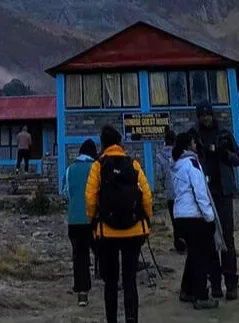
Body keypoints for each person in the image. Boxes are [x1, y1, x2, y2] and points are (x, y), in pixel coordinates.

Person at [85, 125, 153, 323]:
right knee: (130, 280)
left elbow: (90, 198)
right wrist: (146, 220)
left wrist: (93, 220)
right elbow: (147, 197)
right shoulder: (133, 164)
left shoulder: (98, 165)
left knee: (111, 282)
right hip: (133, 230)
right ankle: (132, 319)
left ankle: (112, 319)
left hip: (107, 232)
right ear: (120, 143)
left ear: (103, 144)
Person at [194, 103, 239, 300]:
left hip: (223, 192)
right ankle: (215, 283)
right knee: (209, 239)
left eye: (208, 115)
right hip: (204, 194)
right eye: (202, 115)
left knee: (227, 237)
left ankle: (231, 282)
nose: (206, 118)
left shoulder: (224, 134)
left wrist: (226, 154)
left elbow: (238, 158)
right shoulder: (194, 135)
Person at [170, 131, 219, 310]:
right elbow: (200, 192)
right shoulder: (192, 164)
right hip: (194, 216)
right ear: (188, 146)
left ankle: (187, 289)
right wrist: (210, 216)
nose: (196, 145)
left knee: (193, 255)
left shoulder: (177, 165)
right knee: (201, 257)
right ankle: (201, 295)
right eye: (193, 143)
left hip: (180, 215)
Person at [64, 139, 99, 307]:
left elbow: (65, 192)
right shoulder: (96, 168)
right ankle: (110, 280)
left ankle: (82, 293)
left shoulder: (70, 169)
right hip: (94, 219)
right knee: (102, 251)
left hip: (74, 220)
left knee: (80, 256)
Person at [158, 129, 186, 253]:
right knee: (184, 218)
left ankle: (178, 244)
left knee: (174, 220)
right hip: (182, 192)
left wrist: (164, 184)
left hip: (170, 193)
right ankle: (186, 241)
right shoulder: (181, 155)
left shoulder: (159, 156)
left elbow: (159, 175)